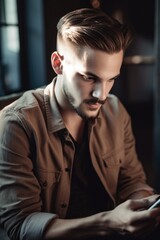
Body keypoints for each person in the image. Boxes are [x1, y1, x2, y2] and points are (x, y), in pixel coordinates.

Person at [0, 7, 160, 240]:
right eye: (89, 77)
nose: (101, 95)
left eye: (111, 79)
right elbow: (20, 225)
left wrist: (146, 204)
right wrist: (109, 223)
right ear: (58, 64)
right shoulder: (16, 126)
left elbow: (131, 181)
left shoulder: (115, 111)